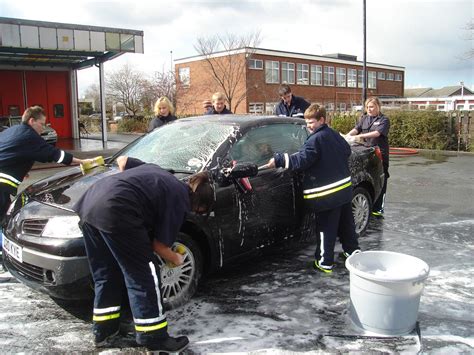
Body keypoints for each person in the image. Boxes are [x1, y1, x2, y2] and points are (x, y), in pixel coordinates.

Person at [73, 155, 214, 352]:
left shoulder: (160, 173)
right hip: (117, 212)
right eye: (198, 211)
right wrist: (177, 258)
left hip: (90, 205)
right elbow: (159, 247)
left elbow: (122, 160)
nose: (193, 214)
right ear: (198, 203)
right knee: (145, 275)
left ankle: (104, 332)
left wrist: (126, 188)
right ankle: (155, 338)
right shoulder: (179, 200)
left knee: (107, 275)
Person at [267, 104, 360, 274]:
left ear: (322, 120)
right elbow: (347, 150)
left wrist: (279, 159)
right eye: (307, 122)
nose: (308, 126)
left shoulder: (314, 140)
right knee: (347, 225)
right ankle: (353, 253)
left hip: (327, 195)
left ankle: (324, 262)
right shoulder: (333, 134)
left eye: (311, 122)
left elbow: (302, 160)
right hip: (344, 191)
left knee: (326, 229)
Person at [0, 106, 85, 230]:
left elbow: (11, 152)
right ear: (31, 121)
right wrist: (82, 161)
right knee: (3, 218)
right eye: (42, 124)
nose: (43, 128)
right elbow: (55, 154)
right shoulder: (30, 136)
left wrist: (20, 169)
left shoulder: (12, 130)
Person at [346, 97, 390, 218]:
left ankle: (378, 208)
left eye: (372, 107)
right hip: (366, 151)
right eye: (367, 107)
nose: (369, 109)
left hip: (380, 152)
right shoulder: (364, 118)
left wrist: (360, 136)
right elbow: (356, 129)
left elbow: (377, 133)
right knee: (369, 177)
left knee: (382, 177)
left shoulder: (383, 120)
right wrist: (347, 135)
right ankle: (370, 203)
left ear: (378, 107)